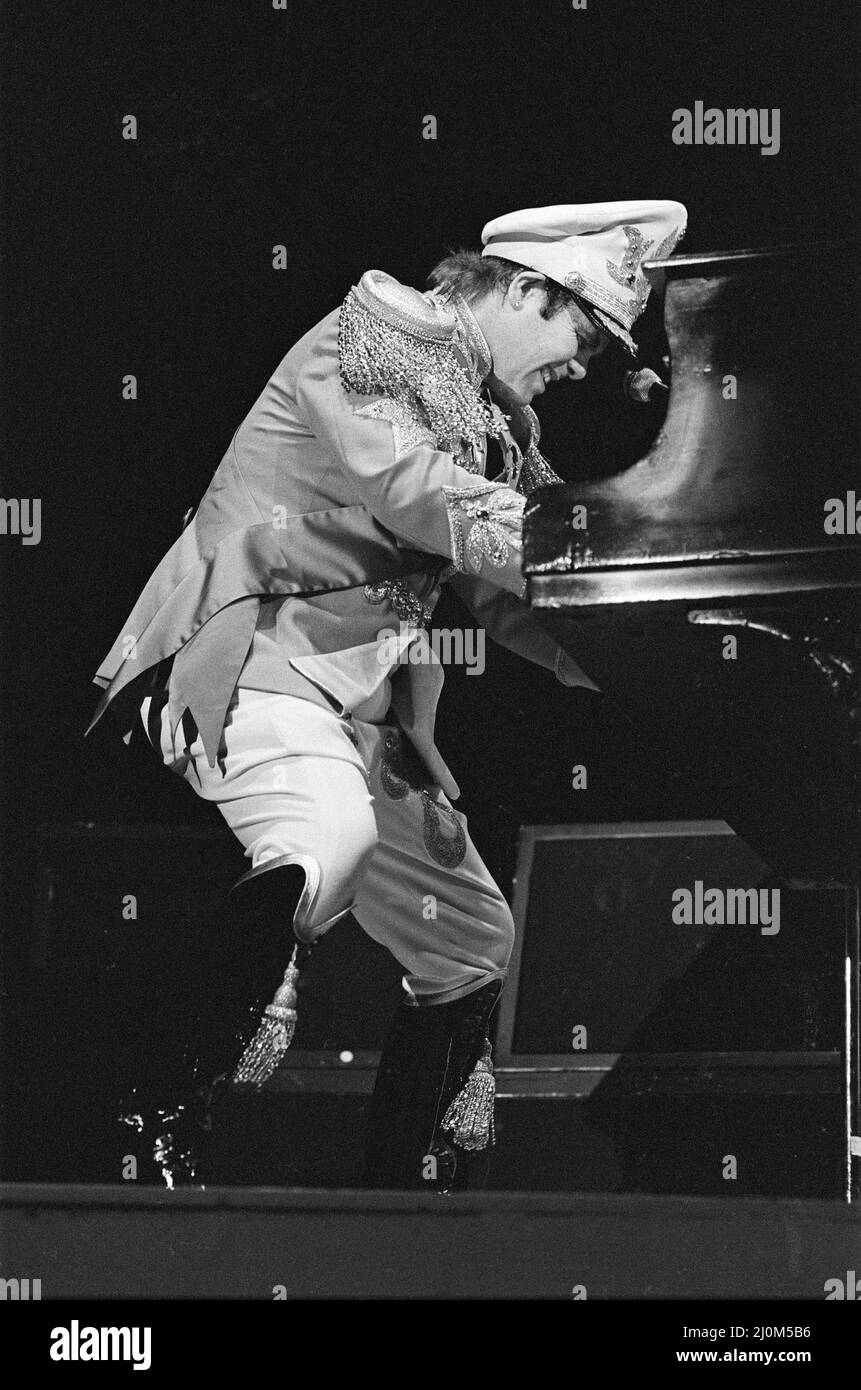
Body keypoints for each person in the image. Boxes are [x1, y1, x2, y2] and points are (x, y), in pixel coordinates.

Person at [88, 200, 687, 1189]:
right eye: (584, 336)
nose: (584, 368)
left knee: (470, 934)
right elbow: (412, 490)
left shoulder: (498, 421)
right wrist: (582, 544)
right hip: (239, 654)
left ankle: (401, 1188)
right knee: (323, 837)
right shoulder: (375, 337)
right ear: (528, 287)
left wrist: (634, 661)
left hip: (342, 708)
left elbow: (498, 602)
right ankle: (148, 1107)